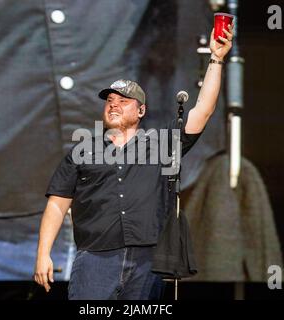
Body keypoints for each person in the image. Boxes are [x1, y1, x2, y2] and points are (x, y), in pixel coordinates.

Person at [34, 24, 234, 300]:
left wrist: (216, 59)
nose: (113, 104)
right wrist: (43, 253)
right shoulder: (83, 150)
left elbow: (203, 111)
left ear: (141, 110)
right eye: (110, 100)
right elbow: (58, 203)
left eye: (123, 100)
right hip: (95, 258)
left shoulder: (161, 145)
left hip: (147, 261)